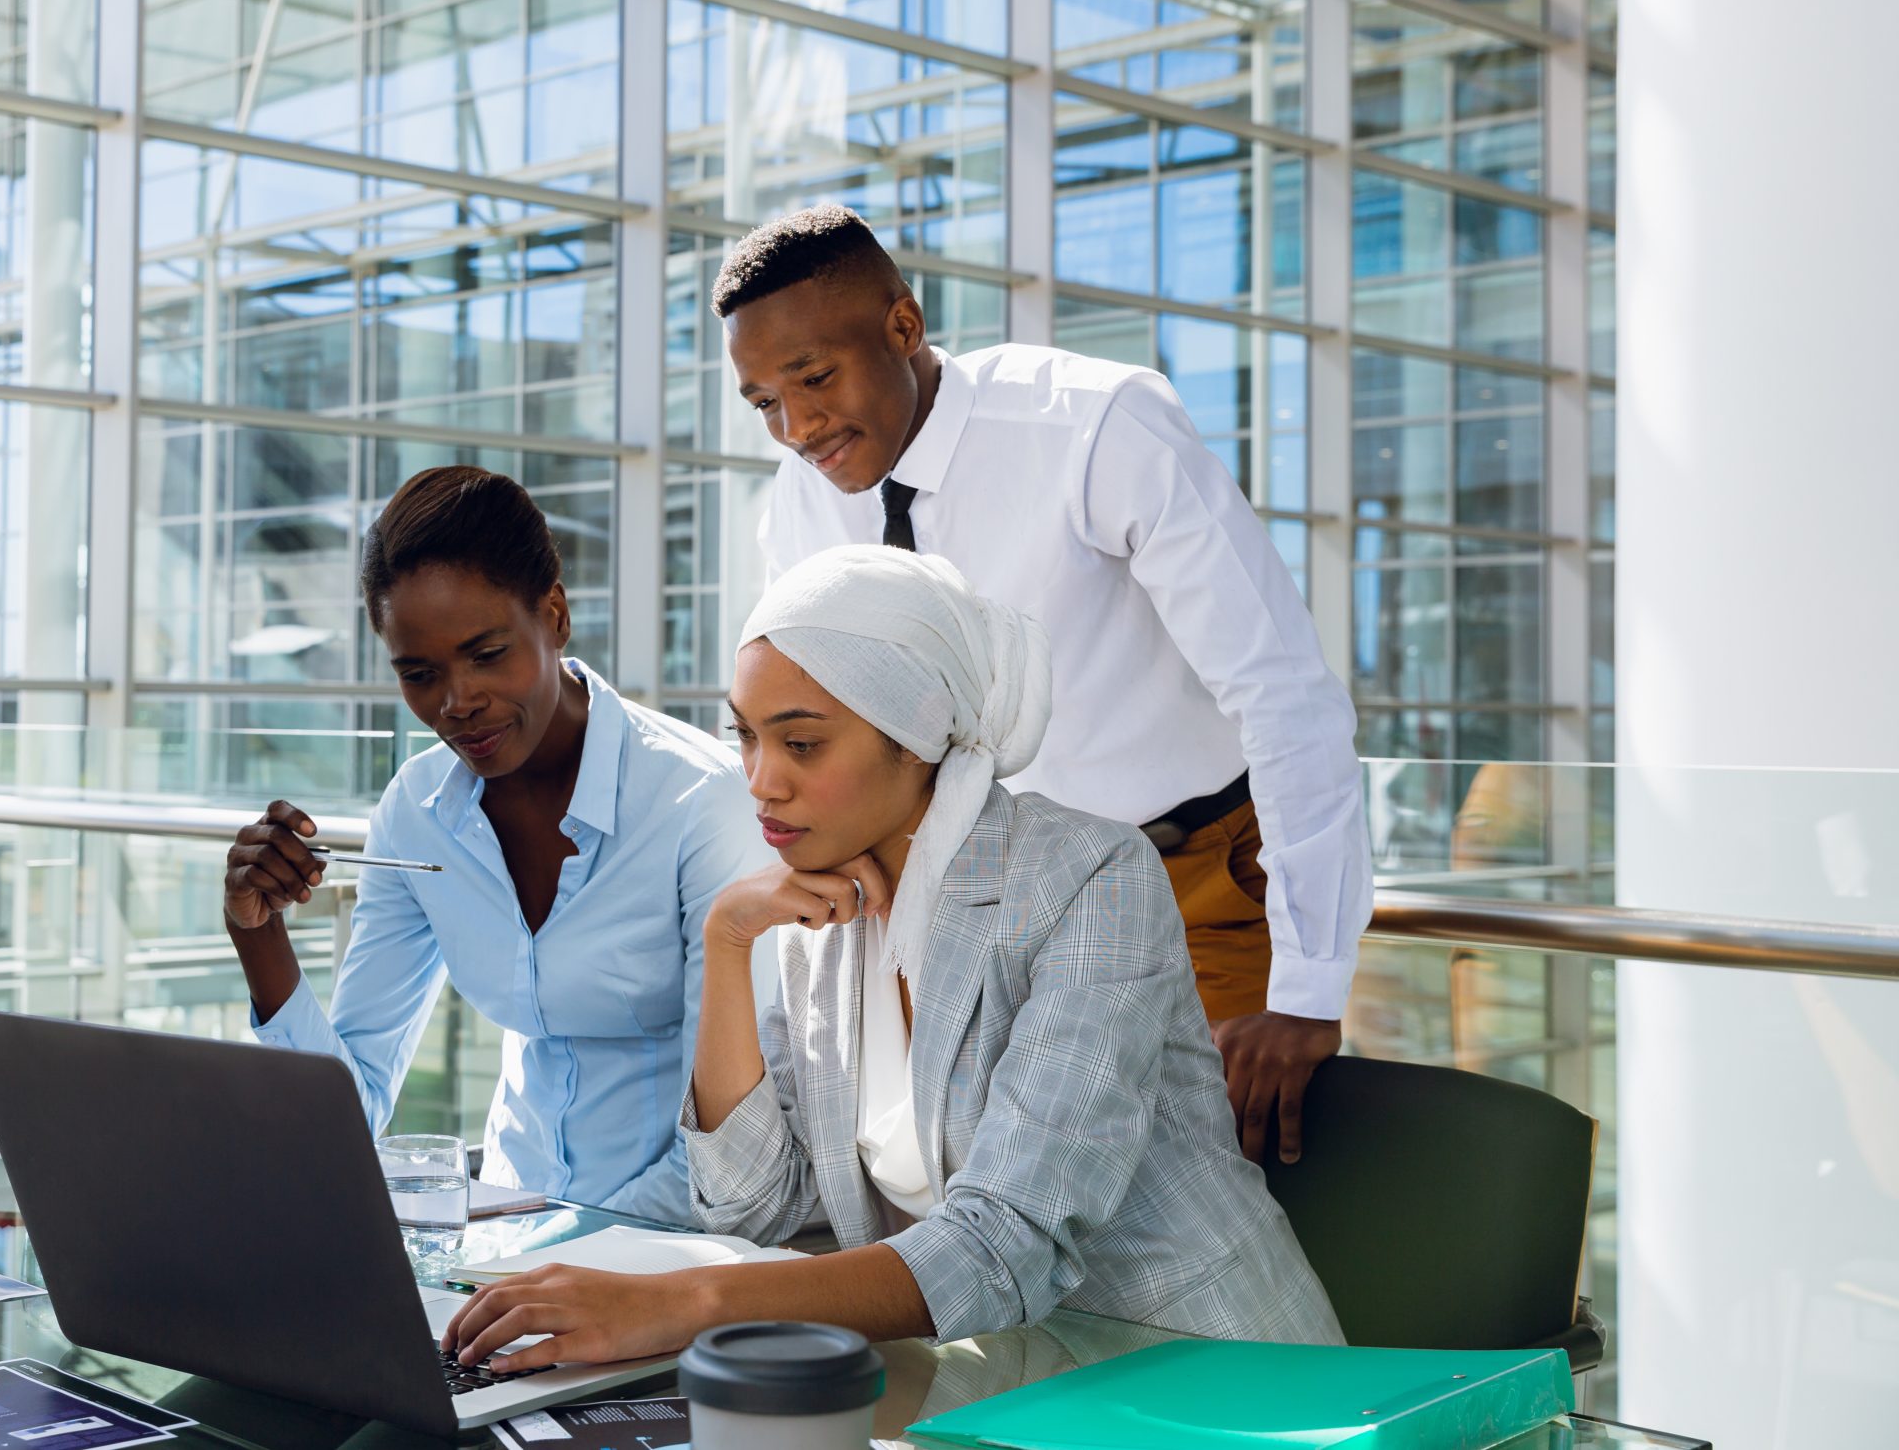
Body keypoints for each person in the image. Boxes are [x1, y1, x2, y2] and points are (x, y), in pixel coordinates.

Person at [444, 547, 1340, 1371]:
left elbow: (1004, 1242)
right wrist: (727, 943)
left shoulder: (1088, 877)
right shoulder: (822, 911)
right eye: (746, 736)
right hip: (992, 1378)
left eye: (801, 742)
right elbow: (753, 1208)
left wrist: (683, 1302)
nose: (760, 778)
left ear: (917, 735)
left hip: (1196, 1372)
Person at [716, 203, 1372, 1161]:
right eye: (764, 401)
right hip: (978, 899)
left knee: (1216, 1209)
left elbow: (1282, 691)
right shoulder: (806, 496)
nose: (797, 425)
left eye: (813, 378)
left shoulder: (1097, 426)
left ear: (904, 325)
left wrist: (1307, 991)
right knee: (1001, 1220)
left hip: (1191, 885)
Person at [222, 466, 766, 1224]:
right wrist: (258, 936)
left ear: (555, 614)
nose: (455, 702)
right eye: (419, 673)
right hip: (501, 1235)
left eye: (486, 653)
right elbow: (347, 1109)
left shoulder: (701, 805)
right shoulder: (416, 810)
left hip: (671, 1249)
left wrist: (562, 1258)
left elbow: (734, 1153)